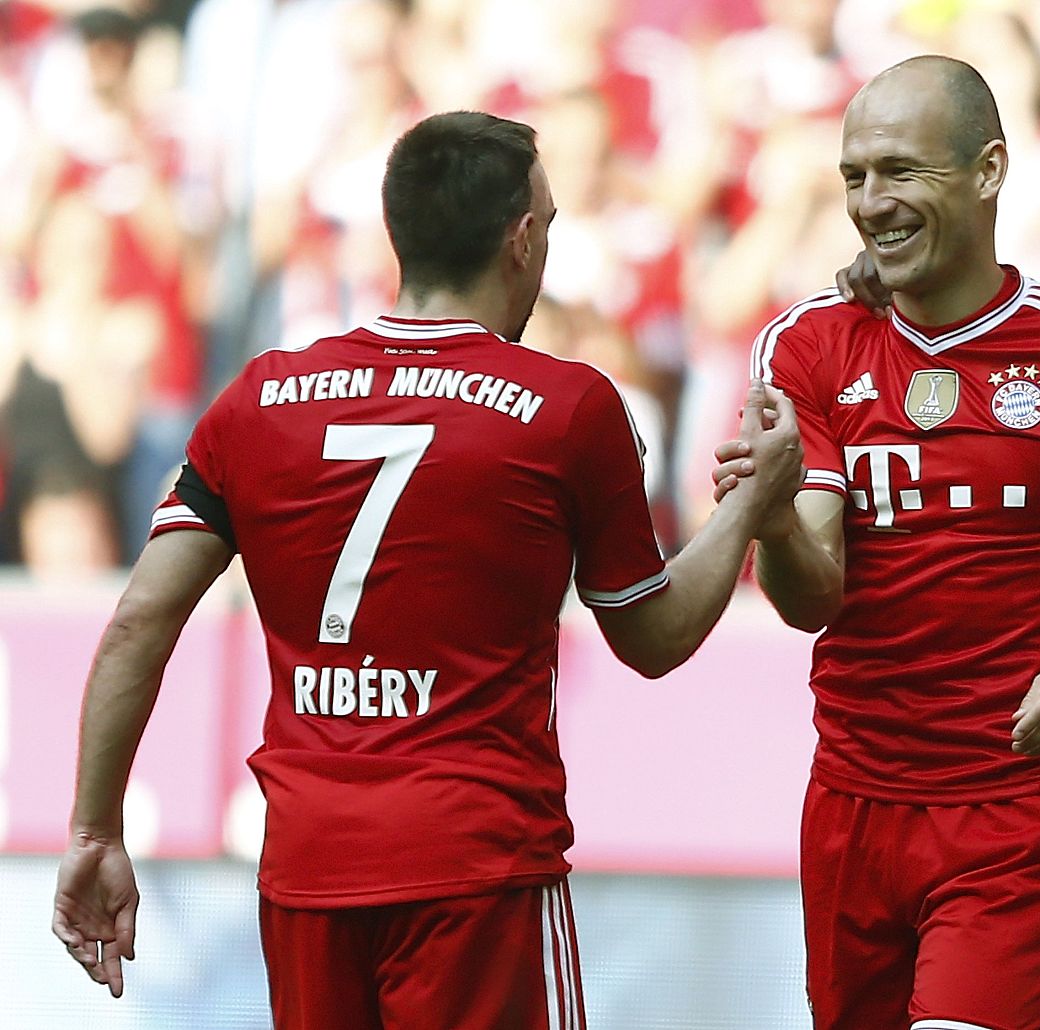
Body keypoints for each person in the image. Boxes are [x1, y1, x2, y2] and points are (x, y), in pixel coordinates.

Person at [51, 110, 802, 1029]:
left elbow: (140, 621)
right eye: (551, 226)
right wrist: (750, 506)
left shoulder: (259, 400)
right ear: (522, 241)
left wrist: (93, 828)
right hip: (477, 872)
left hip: (307, 874)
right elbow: (654, 634)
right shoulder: (566, 408)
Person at [715, 56, 1040, 1030]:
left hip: (1014, 809)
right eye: (853, 176)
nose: (870, 202)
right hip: (851, 800)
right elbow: (812, 597)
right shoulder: (804, 346)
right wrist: (766, 517)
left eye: (899, 170)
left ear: (987, 170)